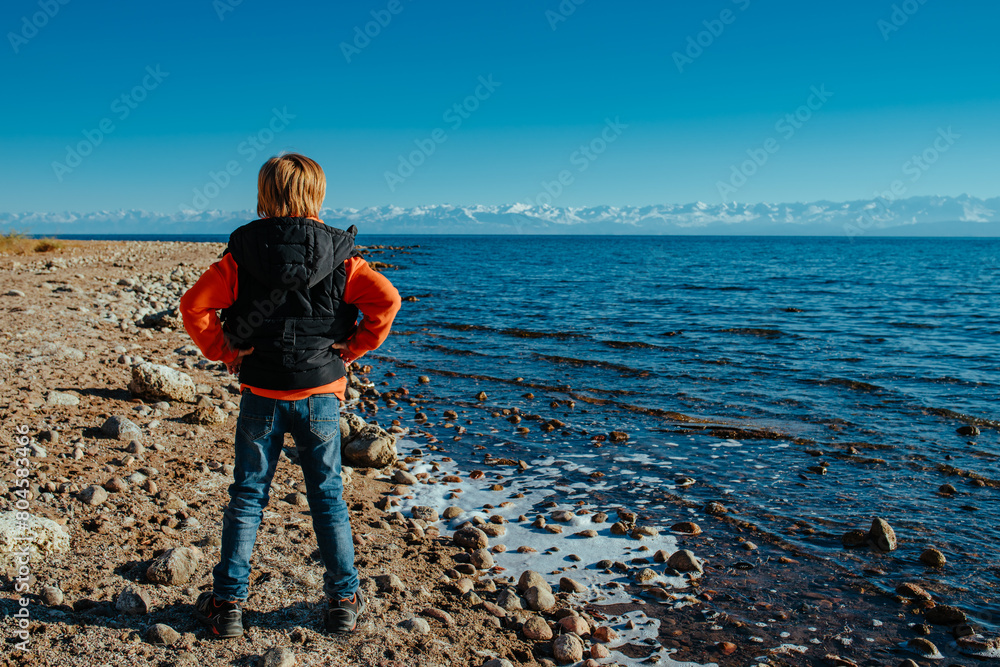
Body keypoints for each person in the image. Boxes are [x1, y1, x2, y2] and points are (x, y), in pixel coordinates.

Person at [179, 152, 401, 637]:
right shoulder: (342, 256)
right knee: (327, 497)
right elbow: (387, 301)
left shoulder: (240, 256)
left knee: (248, 496)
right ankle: (343, 600)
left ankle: (228, 605)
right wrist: (355, 347)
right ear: (317, 195)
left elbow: (193, 306)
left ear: (264, 195)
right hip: (321, 394)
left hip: (261, 392)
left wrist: (224, 349)